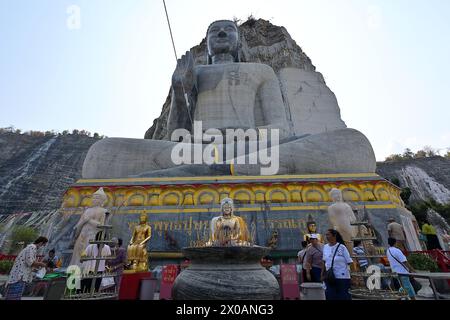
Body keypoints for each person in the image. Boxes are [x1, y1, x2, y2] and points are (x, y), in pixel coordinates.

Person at [321, 229, 353, 300]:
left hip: (342, 277)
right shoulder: (325, 247)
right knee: (330, 296)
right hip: (329, 277)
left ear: (334, 235)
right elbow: (324, 262)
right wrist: (322, 274)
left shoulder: (342, 247)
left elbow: (349, 262)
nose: (327, 236)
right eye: (326, 235)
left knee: (343, 296)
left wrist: (352, 276)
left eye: (328, 234)